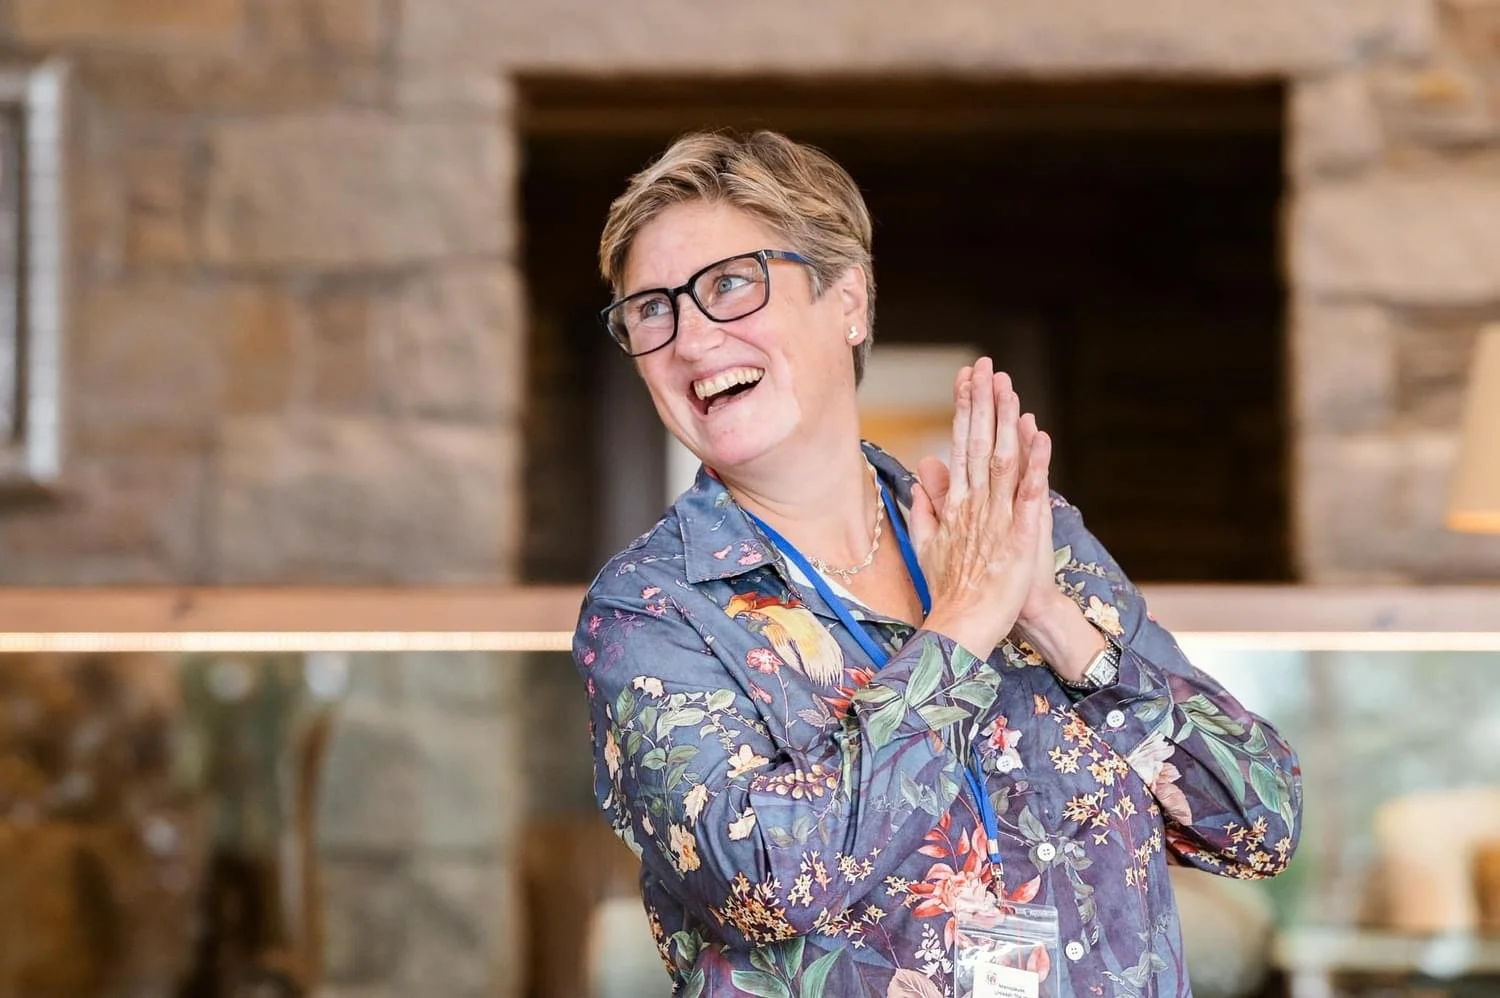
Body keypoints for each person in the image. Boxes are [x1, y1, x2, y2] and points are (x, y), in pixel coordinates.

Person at [572, 129, 1301, 998]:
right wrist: (965, 625)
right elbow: (770, 880)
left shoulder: (1020, 535)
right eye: (652, 309)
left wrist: (1058, 625)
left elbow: (1260, 826)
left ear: (849, 299)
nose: (691, 339)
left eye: (731, 285)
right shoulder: (650, 613)